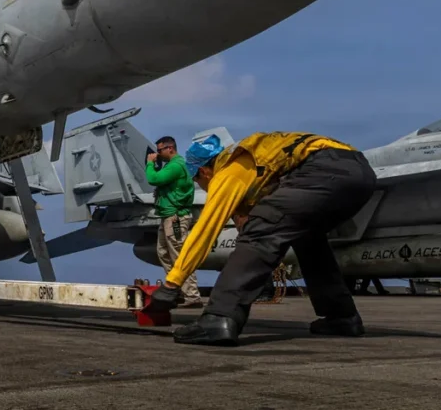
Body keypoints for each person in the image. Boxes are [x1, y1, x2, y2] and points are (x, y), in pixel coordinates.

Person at [148, 131, 378, 346]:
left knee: (261, 231)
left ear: (204, 171)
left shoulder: (228, 170)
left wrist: (172, 284)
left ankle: (219, 317)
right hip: (360, 173)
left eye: (197, 180)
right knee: (308, 239)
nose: (201, 185)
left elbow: (205, 231)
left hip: (323, 170)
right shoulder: (253, 162)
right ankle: (341, 316)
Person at [145, 136, 203, 308]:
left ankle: (192, 296)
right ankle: (175, 289)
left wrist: (150, 164)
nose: (158, 154)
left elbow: (154, 179)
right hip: (168, 216)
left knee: (179, 256)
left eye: (160, 150)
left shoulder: (176, 166)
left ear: (170, 148)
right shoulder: (172, 165)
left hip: (175, 217)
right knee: (163, 253)